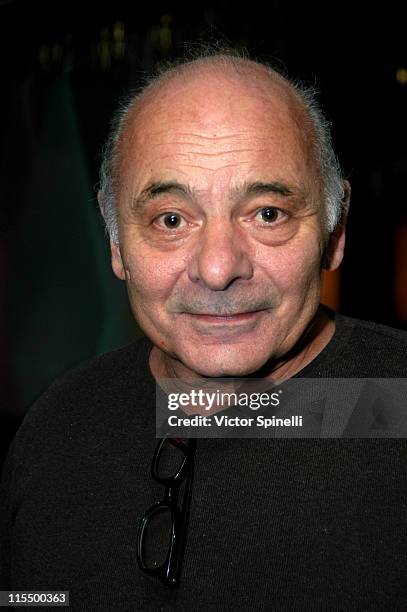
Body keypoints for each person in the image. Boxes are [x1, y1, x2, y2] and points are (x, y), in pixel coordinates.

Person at [1, 49, 407, 611]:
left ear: (335, 231)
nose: (218, 269)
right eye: (171, 220)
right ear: (116, 241)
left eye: (267, 213)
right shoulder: (57, 430)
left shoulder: (395, 404)